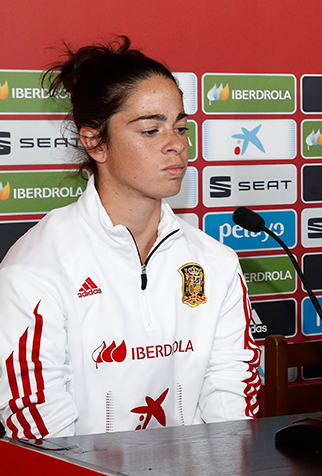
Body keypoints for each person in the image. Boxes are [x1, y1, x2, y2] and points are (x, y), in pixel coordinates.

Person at [0, 37, 261, 439]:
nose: (176, 144)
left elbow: (232, 415)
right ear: (94, 142)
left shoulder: (217, 262)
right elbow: (43, 439)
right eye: (150, 129)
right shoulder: (35, 268)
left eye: (180, 127)